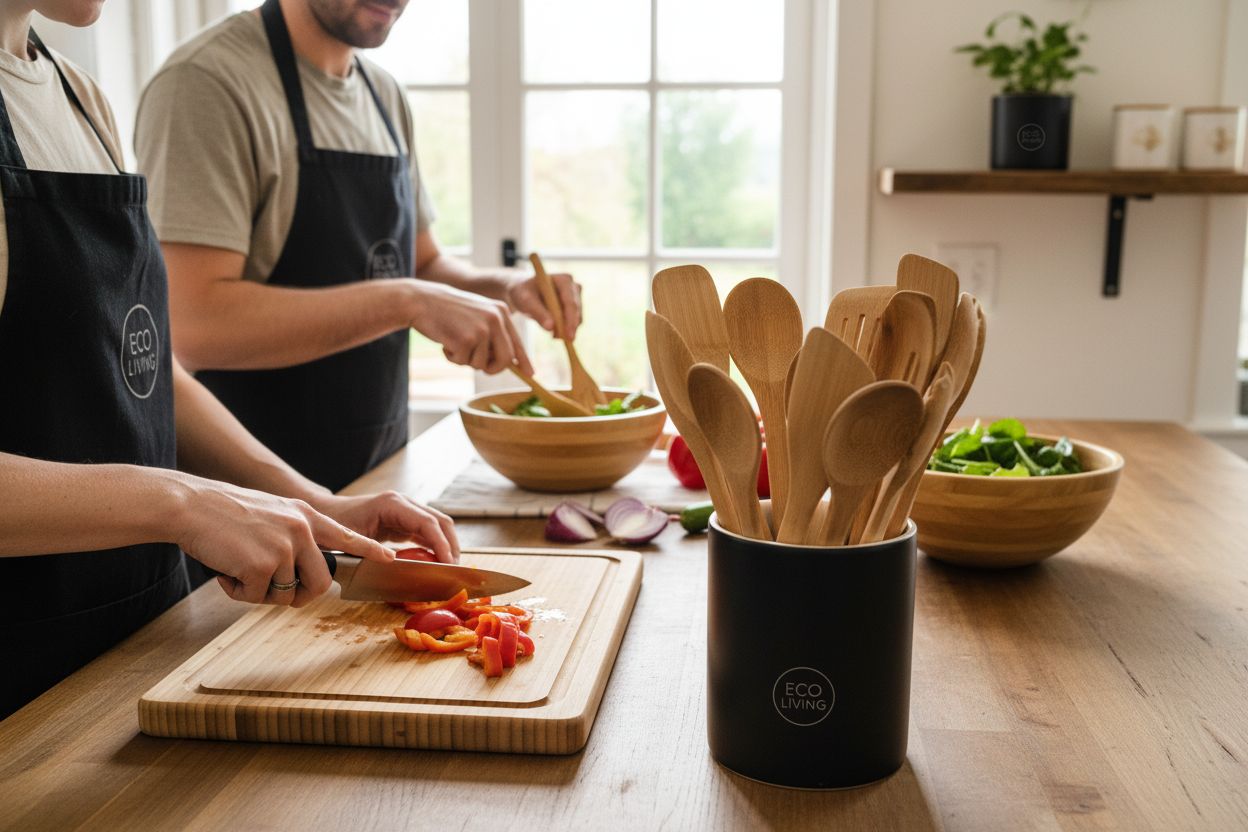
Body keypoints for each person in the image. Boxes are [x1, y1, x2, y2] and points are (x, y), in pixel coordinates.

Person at [0, 0, 458, 720]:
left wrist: (313, 502)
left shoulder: (76, 95)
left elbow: (142, 370)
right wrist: (185, 503)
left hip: (137, 647)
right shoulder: (205, 80)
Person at [135, 0, 584, 504]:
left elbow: (422, 263)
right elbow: (194, 323)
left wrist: (507, 287)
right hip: (252, 507)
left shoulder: (383, 94)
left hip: (378, 481)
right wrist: (406, 301)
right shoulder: (207, 82)